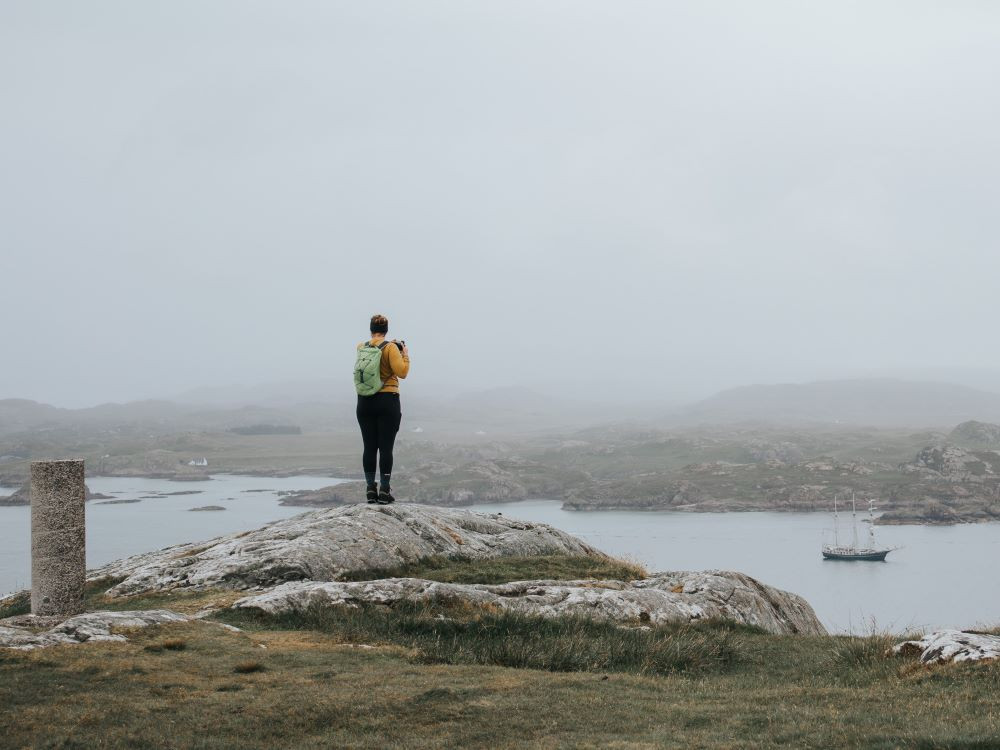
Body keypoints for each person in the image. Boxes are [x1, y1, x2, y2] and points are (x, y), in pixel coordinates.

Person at [355, 314, 410, 504]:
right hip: (387, 400)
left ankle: (370, 490)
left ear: (370, 329)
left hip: (364, 401)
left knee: (369, 447)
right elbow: (402, 372)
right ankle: (385, 491)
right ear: (387, 330)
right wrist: (404, 352)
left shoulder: (362, 347)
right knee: (386, 448)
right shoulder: (391, 349)